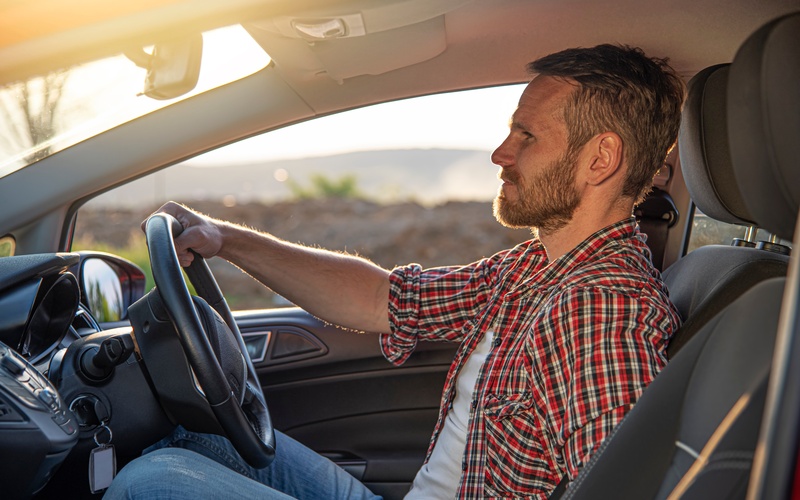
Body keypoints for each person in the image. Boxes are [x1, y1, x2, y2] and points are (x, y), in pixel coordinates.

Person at [106, 43, 685, 499]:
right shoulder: (535, 268)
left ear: (600, 159)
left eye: (526, 135)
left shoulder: (600, 308)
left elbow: (619, 487)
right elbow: (384, 298)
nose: (500, 154)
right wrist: (225, 238)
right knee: (194, 438)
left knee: (148, 484)